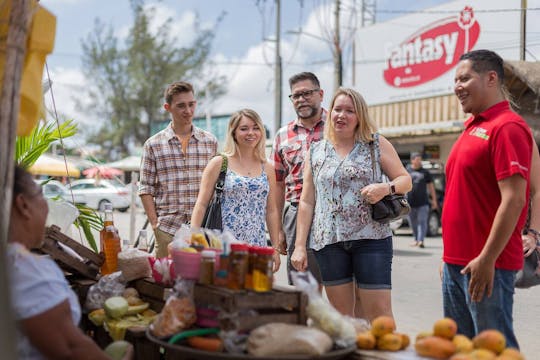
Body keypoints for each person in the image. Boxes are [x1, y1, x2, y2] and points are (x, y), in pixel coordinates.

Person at [291, 87, 411, 320]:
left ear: (360, 116)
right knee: (342, 318)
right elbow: (306, 201)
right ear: (330, 112)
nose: (341, 115)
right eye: (337, 109)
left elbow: (405, 180)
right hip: (329, 242)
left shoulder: (375, 144)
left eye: (350, 111)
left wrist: (385, 188)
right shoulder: (316, 151)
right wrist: (298, 246)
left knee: (379, 315)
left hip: (371, 239)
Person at [441, 49, 533, 349]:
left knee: (494, 349)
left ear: (491, 78)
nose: (457, 87)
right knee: (463, 350)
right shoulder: (473, 127)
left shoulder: (506, 127)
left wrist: (487, 258)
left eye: (464, 78)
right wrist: (449, 258)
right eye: (455, 80)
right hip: (457, 263)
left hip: (486, 265)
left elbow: (515, 199)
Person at [7, 165, 133, 359]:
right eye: (41, 195)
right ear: (23, 205)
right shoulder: (29, 271)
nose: (47, 205)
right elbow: (71, 348)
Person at [191, 109, 281, 272]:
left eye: (256, 127)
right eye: (244, 128)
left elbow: (272, 210)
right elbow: (201, 204)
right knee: (222, 293)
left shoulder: (267, 167)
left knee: (255, 295)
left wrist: (274, 247)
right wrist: (194, 239)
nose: (251, 133)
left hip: (257, 247)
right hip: (222, 245)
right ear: (233, 132)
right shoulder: (219, 163)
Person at [139, 81, 218, 258]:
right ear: (168, 107)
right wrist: (155, 224)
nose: (188, 111)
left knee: (202, 282)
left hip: (202, 230)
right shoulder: (153, 145)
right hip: (167, 229)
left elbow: (216, 184)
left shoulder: (210, 141)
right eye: (181, 106)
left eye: (191, 104)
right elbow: (145, 188)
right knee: (166, 282)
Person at [270, 71, 324, 286]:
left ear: (320, 94)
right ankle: (308, 321)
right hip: (294, 212)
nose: (301, 99)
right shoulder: (282, 135)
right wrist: (279, 230)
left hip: (334, 212)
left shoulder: (340, 125)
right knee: (303, 286)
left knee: (342, 284)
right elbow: (278, 183)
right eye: (296, 96)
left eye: (307, 93)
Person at [406, 152, 438, 248]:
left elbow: (431, 186)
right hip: (410, 202)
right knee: (412, 222)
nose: (419, 161)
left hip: (423, 202)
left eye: (420, 159)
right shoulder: (407, 170)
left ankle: (421, 241)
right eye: (417, 159)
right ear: (412, 160)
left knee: (422, 221)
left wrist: (434, 200)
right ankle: (416, 239)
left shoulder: (425, 172)